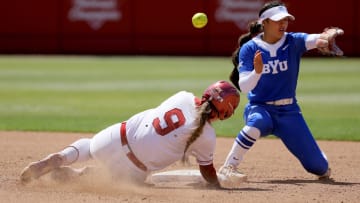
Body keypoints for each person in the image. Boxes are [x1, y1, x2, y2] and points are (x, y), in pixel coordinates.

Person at [20, 80, 241, 188]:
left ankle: (61, 157)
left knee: (89, 146)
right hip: (131, 171)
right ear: (227, 113)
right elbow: (208, 173)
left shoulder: (182, 96)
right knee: (121, 179)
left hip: (112, 138)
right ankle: (78, 174)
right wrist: (217, 185)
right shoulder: (207, 138)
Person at [219, 0, 344, 181]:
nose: (283, 24)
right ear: (265, 23)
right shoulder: (250, 48)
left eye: (286, 20)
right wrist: (257, 72)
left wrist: (329, 35)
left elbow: (318, 39)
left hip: (289, 111)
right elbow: (245, 86)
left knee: (321, 169)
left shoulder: (294, 41)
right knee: (257, 122)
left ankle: (318, 158)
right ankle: (229, 166)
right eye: (278, 20)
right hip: (260, 107)